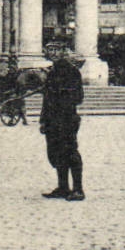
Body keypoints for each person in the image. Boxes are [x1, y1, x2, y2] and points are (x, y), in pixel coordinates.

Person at [40, 39, 85, 201]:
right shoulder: (52, 72)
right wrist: (43, 120)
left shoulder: (71, 71)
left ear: (63, 51)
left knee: (70, 153)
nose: (52, 53)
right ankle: (63, 187)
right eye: (50, 49)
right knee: (56, 154)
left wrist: (62, 94)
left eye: (56, 50)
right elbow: (46, 99)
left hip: (66, 119)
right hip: (52, 119)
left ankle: (78, 189)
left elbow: (78, 97)